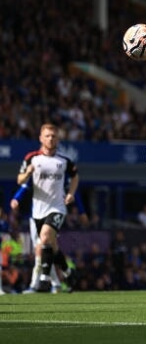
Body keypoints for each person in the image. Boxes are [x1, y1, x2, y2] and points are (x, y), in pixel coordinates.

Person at [17, 123, 79, 293]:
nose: (50, 139)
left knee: (44, 238)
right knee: (51, 244)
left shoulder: (64, 161)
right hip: (38, 210)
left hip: (57, 207)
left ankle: (44, 280)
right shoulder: (32, 158)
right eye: (47, 136)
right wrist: (28, 173)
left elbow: (75, 177)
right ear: (41, 138)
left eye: (53, 136)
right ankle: (68, 272)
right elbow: (19, 180)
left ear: (58, 139)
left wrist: (71, 193)